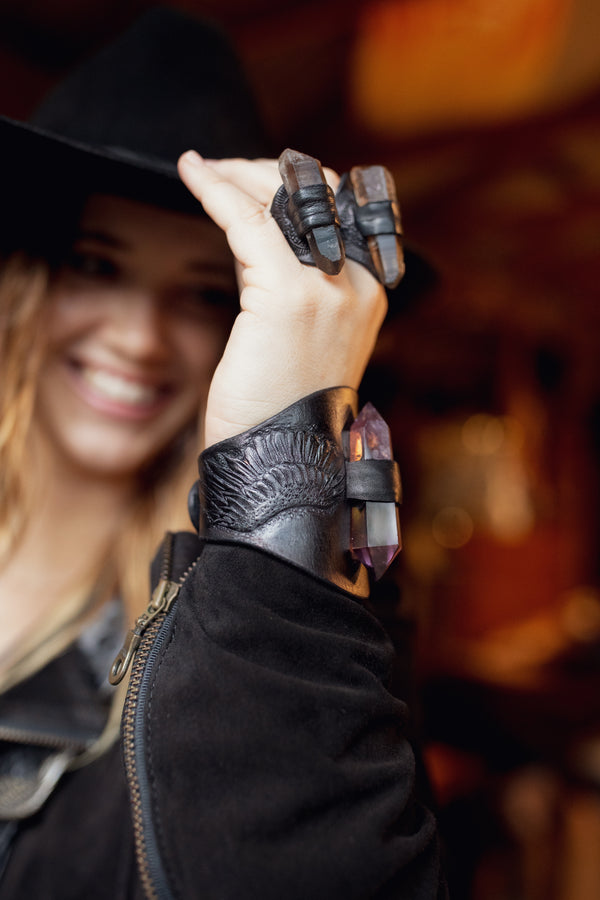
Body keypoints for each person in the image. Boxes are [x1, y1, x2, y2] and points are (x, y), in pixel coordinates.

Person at [0, 8, 445, 898]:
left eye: (205, 293)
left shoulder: (280, 620)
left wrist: (290, 444)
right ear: (25, 286)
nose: (139, 337)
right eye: (97, 264)